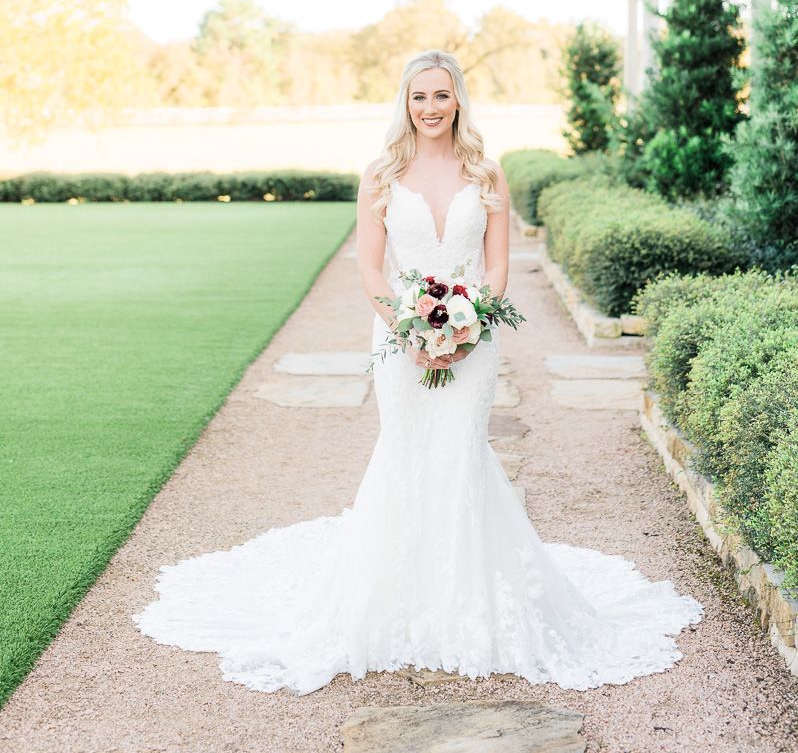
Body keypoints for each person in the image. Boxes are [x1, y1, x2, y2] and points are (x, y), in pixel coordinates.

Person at [133, 48, 704, 693]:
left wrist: (469, 325)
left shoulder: (486, 172)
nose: (430, 108)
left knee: (462, 455)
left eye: (441, 95)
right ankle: (395, 605)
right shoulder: (381, 173)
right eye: (418, 97)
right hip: (399, 344)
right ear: (404, 103)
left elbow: (496, 268)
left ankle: (470, 608)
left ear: (459, 99)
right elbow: (372, 271)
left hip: (474, 339)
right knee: (404, 453)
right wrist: (410, 329)